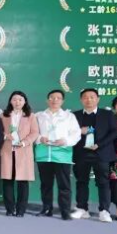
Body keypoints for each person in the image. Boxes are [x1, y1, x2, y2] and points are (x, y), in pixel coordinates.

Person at [34, 89, 80, 220]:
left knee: (64, 185)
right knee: (45, 184)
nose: (55, 100)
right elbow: (33, 132)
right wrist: (40, 138)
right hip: (44, 154)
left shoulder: (69, 116)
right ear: (47, 100)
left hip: (62, 155)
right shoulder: (39, 116)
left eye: (58, 98)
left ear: (62, 101)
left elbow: (76, 134)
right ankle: (46, 208)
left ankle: (65, 211)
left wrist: (65, 141)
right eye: (52, 98)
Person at [72, 88, 117, 222]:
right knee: (81, 181)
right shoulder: (74, 115)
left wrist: (99, 144)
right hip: (81, 153)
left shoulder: (107, 114)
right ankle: (82, 208)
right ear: (81, 100)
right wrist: (79, 131)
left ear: (98, 99)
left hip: (101, 153)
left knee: (103, 182)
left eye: (92, 97)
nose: (89, 100)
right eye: (85, 97)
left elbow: (114, 132)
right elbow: (68, 132)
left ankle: (104, 211)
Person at [0, 91, 39, 217]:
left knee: (23, 182)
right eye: (14, 99)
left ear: (24, 102)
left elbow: (35, 133)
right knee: (7, 181)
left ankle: (21, 210)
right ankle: (10, 209)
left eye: (20, 99)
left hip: (23, 151)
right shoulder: (3, 116)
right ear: (10, 101)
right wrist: (6, 136)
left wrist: (24, 142)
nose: (17, 102)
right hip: (7, 151)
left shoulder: (30, 116)